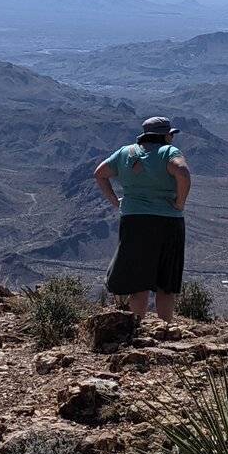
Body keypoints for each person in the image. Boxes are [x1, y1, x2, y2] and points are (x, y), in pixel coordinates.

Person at [94, 115, 191, 319]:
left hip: (134, 221)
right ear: (165, 136)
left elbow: (100, 173)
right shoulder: (168, 152)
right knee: (166, 282)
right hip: (168, 221)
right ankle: (165, 328)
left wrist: (116, 201)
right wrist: (180, 203)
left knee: (137, 281)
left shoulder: (125, 152)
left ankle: (137, 325)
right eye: (170, 135)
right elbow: (182, 172)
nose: (172, 138)